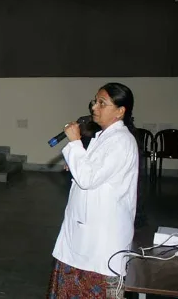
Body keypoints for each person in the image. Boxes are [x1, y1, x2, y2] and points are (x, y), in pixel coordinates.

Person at [47, 82, 138, 298]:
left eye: (102, 103)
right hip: (84, 236)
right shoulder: (105, 138)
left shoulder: (121, 142)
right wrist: (79, 160)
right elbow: (92, 172)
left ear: (120, 111)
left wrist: (76, 143)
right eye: (94, 101)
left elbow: (88, 178)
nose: (94, 107)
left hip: (101, 242)